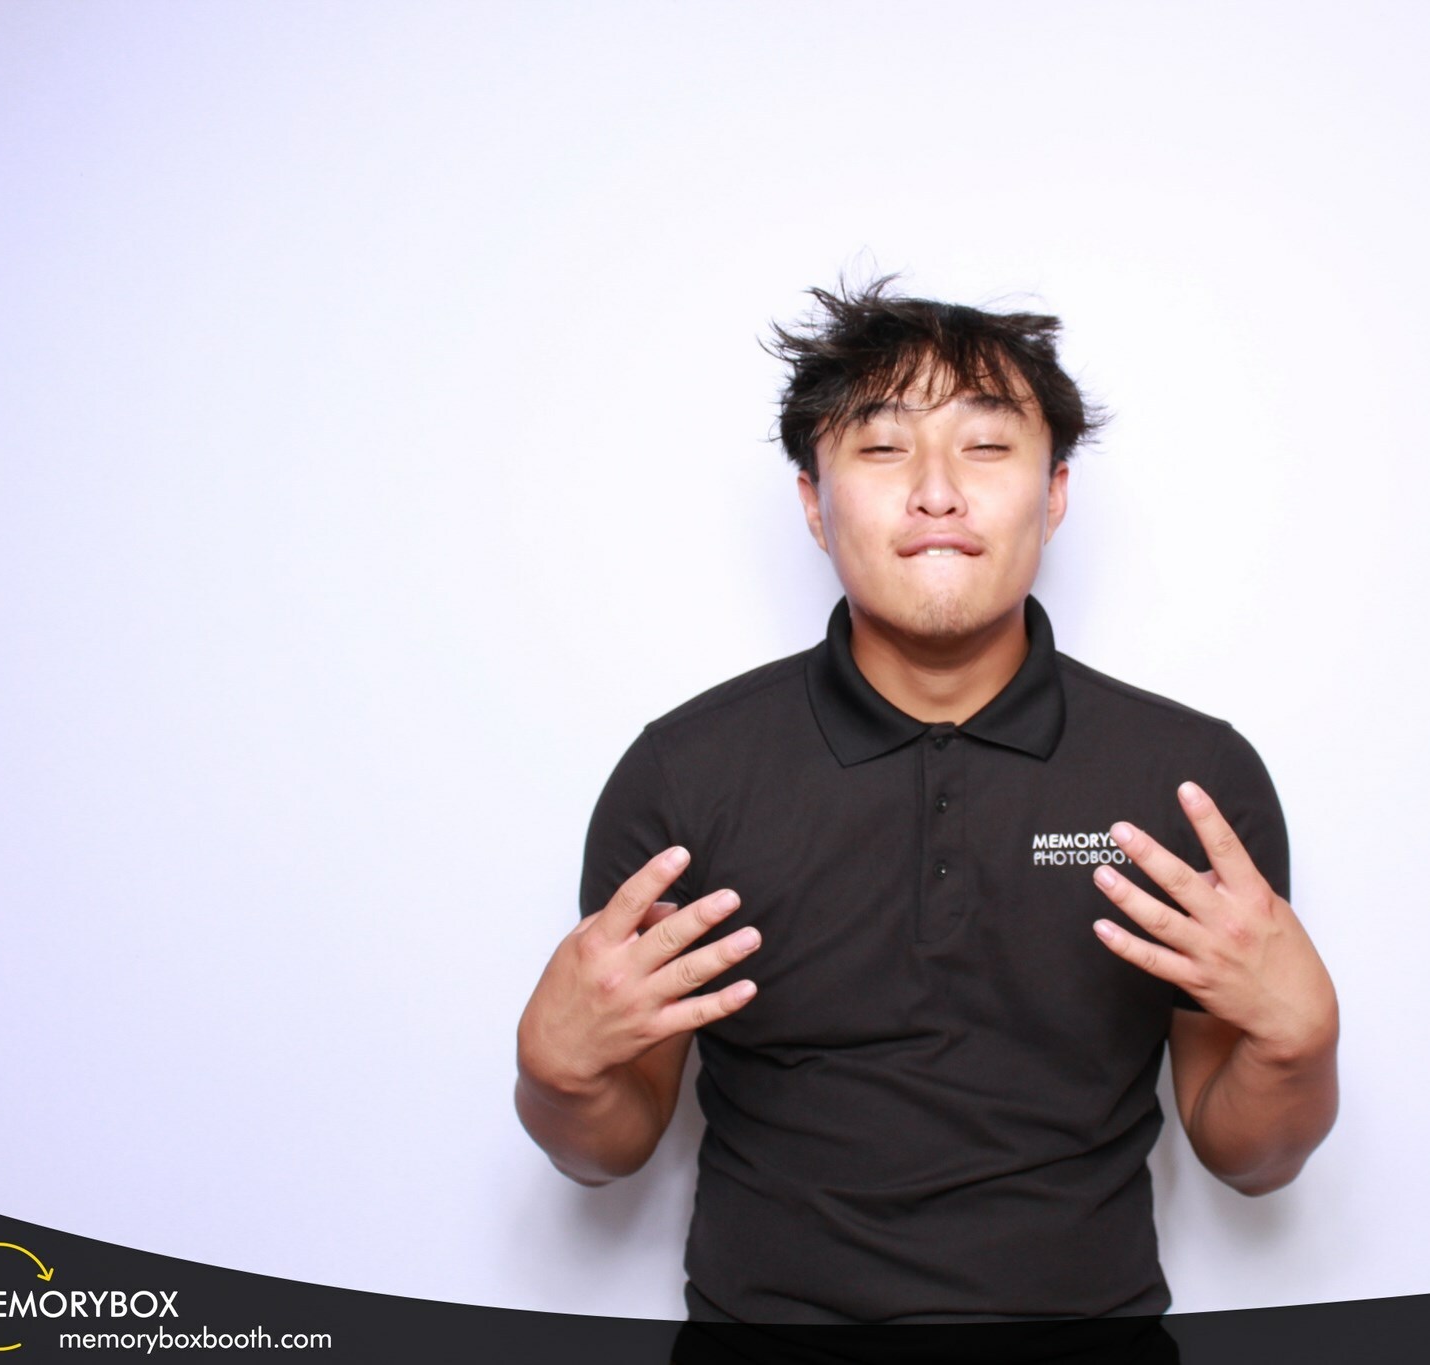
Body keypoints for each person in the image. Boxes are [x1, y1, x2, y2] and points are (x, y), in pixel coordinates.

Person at [514, 279, 1339, 1332]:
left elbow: (1250, 1161)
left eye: (987, 448)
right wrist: (555, 1078)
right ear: (813, 503)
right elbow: (606, 1151)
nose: (938, 493)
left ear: (1053, 494)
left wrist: (1299, 1046)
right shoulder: (684, 774)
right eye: (881, 447)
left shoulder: (1188, 778)